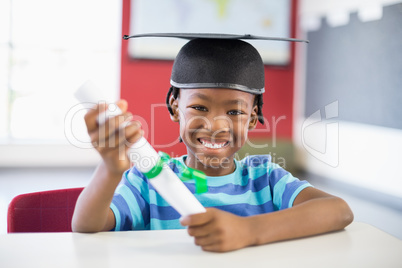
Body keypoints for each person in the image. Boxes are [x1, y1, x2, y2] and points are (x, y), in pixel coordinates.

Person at [72, 34, 353, 252]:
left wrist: (249, 231)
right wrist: (110, 170)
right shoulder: (148, 181)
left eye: (234, 112)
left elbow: (339, 210)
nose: (216, 125)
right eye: (199, 108)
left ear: (253, 118)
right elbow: (86, 226)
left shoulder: (265, 178)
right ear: (174, 107)